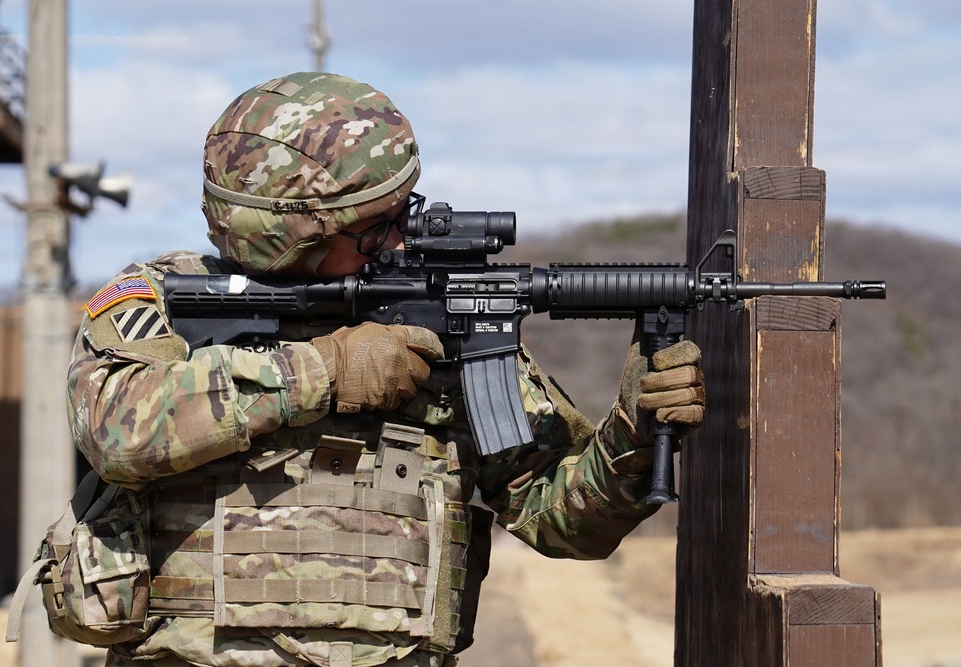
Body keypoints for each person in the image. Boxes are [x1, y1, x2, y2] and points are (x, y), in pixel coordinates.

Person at [67, 72, 705, 667]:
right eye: (376, 229)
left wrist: (636, 433)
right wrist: (323, 371)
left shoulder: (446, 328)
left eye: (406, 213)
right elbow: (117, 434)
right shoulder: (162, 300)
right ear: (290, 235)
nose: (400, 240)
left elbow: (562, 521)